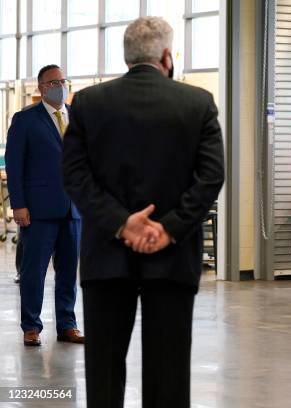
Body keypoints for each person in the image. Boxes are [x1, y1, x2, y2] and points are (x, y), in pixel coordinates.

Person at [62, 17, 224, 407]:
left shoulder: (88, 103)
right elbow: (211, 175)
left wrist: (121, 223)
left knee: (103, 371)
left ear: (126, 56)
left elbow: (74, 174)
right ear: (167, 55)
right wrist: (168, 229)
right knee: (168, 373)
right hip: (171, 259)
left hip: (106, 258)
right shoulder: (197, 103)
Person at [5, 65, 83, 347]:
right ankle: (31, 326)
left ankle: (67, 324)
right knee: (33, 271)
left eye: (63, 80)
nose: (60, 85)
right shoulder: (26, 120)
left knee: (68, 272)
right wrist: (19, 205)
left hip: (73, 210)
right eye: (53, 82)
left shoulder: (77, 117)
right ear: (41, 88)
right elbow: (15, 166)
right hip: (38, 210)